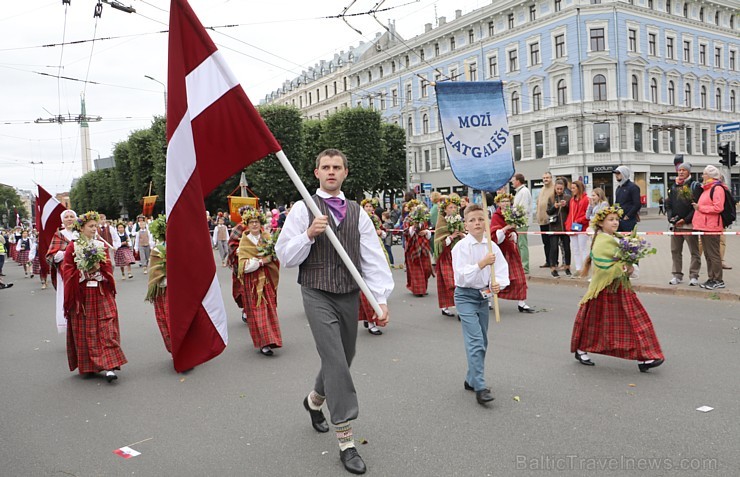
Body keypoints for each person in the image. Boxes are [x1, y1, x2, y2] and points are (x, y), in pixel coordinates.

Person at [275, 149, 393, 475]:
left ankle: (314, 400)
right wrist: (308, 234)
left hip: (349, 294)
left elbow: (372, 258)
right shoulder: (303, 209)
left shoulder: (358, 213)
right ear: (316, 173)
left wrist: (380, 299)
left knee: (345, 355)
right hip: (316, 292)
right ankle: (346, 440)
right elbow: (284, 255)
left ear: (345, 172)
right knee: (335, 360)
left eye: (336, 167)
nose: (331, 172)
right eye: (325, 167)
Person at [571, 205, 664, 372]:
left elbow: (624, 261)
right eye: (611, 220)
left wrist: (631, 266)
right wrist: (625, 266)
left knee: (637, 321)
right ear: (601, 223)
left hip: (621, 287)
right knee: (593, 322)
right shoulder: (601, 241)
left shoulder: (618, 238)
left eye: (616, 219)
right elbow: (604, 264)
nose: (615, 222)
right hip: (603, 289)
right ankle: (581, 349)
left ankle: (646, 357)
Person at [452, 203, 509, 405]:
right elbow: (461, 276)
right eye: (472, 220)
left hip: (483, 297)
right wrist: (481, 263)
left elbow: (502, 271)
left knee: (483, 341)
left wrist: (497, 285)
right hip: (465, 296)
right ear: (465, 224)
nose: (476, 223)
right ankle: (481, 387)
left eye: (480, 219)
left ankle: (471, 379)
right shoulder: (461, 248)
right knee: (475, 341)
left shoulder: (492, 247)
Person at [63, 211, 127, 382]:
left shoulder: (100, 244)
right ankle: (90, 365)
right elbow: (67, 270)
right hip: (82, 295)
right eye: (91, 226)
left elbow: (107, 267)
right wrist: (83, 273)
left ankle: (110, 366)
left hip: (100, 290)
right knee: (87, 329)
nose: (94, 229)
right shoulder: (73, 246)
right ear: (82, 228)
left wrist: (100, 273)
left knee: (107, 324)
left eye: (95, 226)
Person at [237, 207, 282, 355]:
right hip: (253, 283)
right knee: (258, 311)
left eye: (256, 222)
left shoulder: (267, 237)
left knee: (269, 309)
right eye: (251, 222)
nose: (254, 225)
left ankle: (272, 339)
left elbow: (274, 256)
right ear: (247, 224)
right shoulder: (244, 241)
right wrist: (261, 262)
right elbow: (244, 266)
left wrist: (267, 259)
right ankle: (264, 343)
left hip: (266, 279)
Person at [489, 193, 534, 313]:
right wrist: (506, 228)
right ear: (498, 203)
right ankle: (487, 299)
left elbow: (514, 231)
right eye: (503, 201)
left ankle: (522, 303)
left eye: (508, 201)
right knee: (495, 279)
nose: (505, 203)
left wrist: (514, 234)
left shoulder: (512, 214)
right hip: (500, 252)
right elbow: (494, 237)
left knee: (519, 277)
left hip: (511, 251)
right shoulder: (496, 216)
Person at [665, 162, 702, 286]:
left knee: (694, 251)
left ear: (689, 172)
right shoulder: (674, 186)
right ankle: (676, 275)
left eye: (684, 170)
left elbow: (695, 207)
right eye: (679, 170)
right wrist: (671, 218)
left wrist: (685, 220)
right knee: (675, 251)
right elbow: (668, 204)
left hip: (688, 224)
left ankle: (694, 275)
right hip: (676, 225)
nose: (681, 172)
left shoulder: (694, 186)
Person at [692, 165, 727, 290]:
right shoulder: (707, 188)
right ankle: (711, 278)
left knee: (713, 254)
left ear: (711, 176)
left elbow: (718, 208)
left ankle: (718, 279)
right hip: (705, 226)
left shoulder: (717, 189)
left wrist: (700, 208)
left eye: (704, 174)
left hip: (712, 226)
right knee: (708, 254)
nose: (702, 176)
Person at [358, 198, 388, 336]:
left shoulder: (375, 219)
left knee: (375, 287)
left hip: (376, 253)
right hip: (362, 256)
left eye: (371, 206)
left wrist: (380, 233)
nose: (369, 208)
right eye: (367, 206)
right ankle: (371, 322)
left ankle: (370, 319)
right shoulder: (358, 219)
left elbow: (384, 232)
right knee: (366, 292)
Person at [47, 210, 79, 333]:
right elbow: (52, 256)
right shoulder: (59, 235)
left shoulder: (80, 233)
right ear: (62, 220)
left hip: (83, 271)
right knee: (67, 297)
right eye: (66, 217)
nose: (69, 219)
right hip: (65, 272)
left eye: (72, 217)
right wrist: (67, 252)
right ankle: (68, 325)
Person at [143, 215, 172, 353]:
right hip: (165, 290)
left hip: (182, 292)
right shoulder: (157, 249)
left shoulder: (182, 245)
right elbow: (155, 272)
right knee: (167, 321)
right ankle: (175, 349)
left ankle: (187, 349)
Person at [434, 195, 464, 317]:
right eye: (450, 207)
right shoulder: (441, 222)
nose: (453, 209)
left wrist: (461, 235)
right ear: (445, 210)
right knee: (449, 282)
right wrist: (451, 237)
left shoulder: (459, 220)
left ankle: (459, 309)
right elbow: (438, 242)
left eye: (454, 207)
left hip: (457, 256)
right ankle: (446, 306)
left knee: (457, 282)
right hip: (445, 256)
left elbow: (465, 236)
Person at [403, 199, 434, 296]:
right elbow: (406, 233)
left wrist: (426, 232)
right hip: (413, 247)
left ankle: (423, 287)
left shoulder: (423, 219)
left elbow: (429, 231)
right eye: (413, 208)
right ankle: (418, 290)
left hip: (423, 246)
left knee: (426, 269)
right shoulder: (407, 220)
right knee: (416, 269)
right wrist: (413, 227)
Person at [228, 206, 250, 324]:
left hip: (257, 262)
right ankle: (246, 310)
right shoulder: (239, 227)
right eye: (245, 213)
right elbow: (232, 244)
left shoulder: (258, 226)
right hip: (242, 263)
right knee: (243, 288)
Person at [546, 179, 571, 278]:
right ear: (555, 188)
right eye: (558, 189)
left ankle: (567, 267)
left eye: (561, 189)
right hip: (554, 226)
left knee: (567, 248)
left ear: (564, 188)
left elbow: (570, 211)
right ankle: (553, 268)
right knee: (554, 248)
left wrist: (565, 206)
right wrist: (554, 207)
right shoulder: (551, 198)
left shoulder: (568, 197)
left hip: (565, 226)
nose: (559, 191)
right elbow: (548, 211)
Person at [565, 180, 590, 277]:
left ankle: (585, 269)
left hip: (582, 227)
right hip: (573, 227)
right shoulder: (572, 200)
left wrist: (579, 220)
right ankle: (578, 268)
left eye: (573, 188)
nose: (572, 190)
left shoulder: (586, 199)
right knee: (575, 249)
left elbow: (587, 215)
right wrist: (568, 224)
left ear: (579, 188)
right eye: (571, 188)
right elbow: (571, 213)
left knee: (582, 248)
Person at [511, 173, 532, 275]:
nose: (512, 183)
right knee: (519, 245)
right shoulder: (520, 192)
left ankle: (525, 267)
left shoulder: (524, 191)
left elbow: (522, 208)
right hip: (519, 222)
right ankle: (521, 265)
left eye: (513, 181)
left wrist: (514, 218)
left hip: (521, 222)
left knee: (522, 245)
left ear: (518, 181)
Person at [535, 172, 556, 269]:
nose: (545, 179)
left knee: (552, 243)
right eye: (544, 178)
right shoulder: (542, 189)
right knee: (545, 242)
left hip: (550, 220)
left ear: (551, 178)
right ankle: (547, 261)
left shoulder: (554, 189)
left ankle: (553, 261)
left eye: (547, 177)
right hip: (542, 220)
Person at [613, 166, 642, 232]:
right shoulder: (618, 188)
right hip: (619, 220)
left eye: (618, 173)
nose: (616, 175)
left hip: (629, 221)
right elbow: (617, 203)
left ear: (624, 174)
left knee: (629, 240)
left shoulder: (633, 187)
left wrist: (628, 216)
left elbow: (637, 204)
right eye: (616, 174)